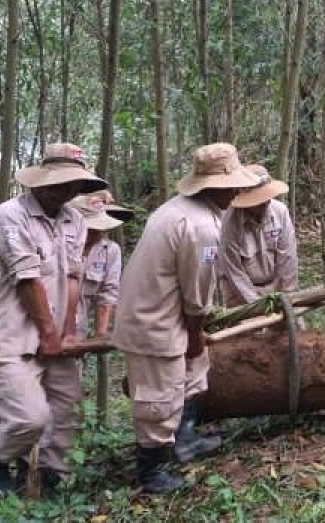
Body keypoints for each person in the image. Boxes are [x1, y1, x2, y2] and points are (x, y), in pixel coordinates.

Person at [113, 143, 259, 493]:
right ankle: (151, 470)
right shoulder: (198, 225)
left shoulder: (185, 211)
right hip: (154, 320)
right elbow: (196, 293)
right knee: (159, 398)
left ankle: (183, 438)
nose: (237, 191)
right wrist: (195, 332)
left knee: (194, 375)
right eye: (232, 186)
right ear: (211, 186)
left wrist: (195, 335)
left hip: (168, 311)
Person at [0, 143, 107, 493]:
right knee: (29, 418)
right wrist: (48, 334)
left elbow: (73, 277)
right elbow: (27, 280)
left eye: (75, 183)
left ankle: (51, 477)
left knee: (66, 410)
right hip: (10, 338)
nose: (69, 189)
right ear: (40, 181)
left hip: (54, 335)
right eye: (62, 182)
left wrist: (69, 331)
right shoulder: (9, 216)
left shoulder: (74, 219)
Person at [217, 164, 299, 306]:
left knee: (292, 325)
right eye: (259, 199)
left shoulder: (280, 212)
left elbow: (288, 258)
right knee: (248, 326)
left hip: (275, 284)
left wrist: (288, 296)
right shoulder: (229, 223)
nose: (265, 202)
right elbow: (234, 272)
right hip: (239, 291)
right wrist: (256, 306)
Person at [68, 193, 125, 338]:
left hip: (78, 328)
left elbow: (108, 293)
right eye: (90, 229)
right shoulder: (57, 244)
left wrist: (101, 334)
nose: (96, 234)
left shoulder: (109, 250)